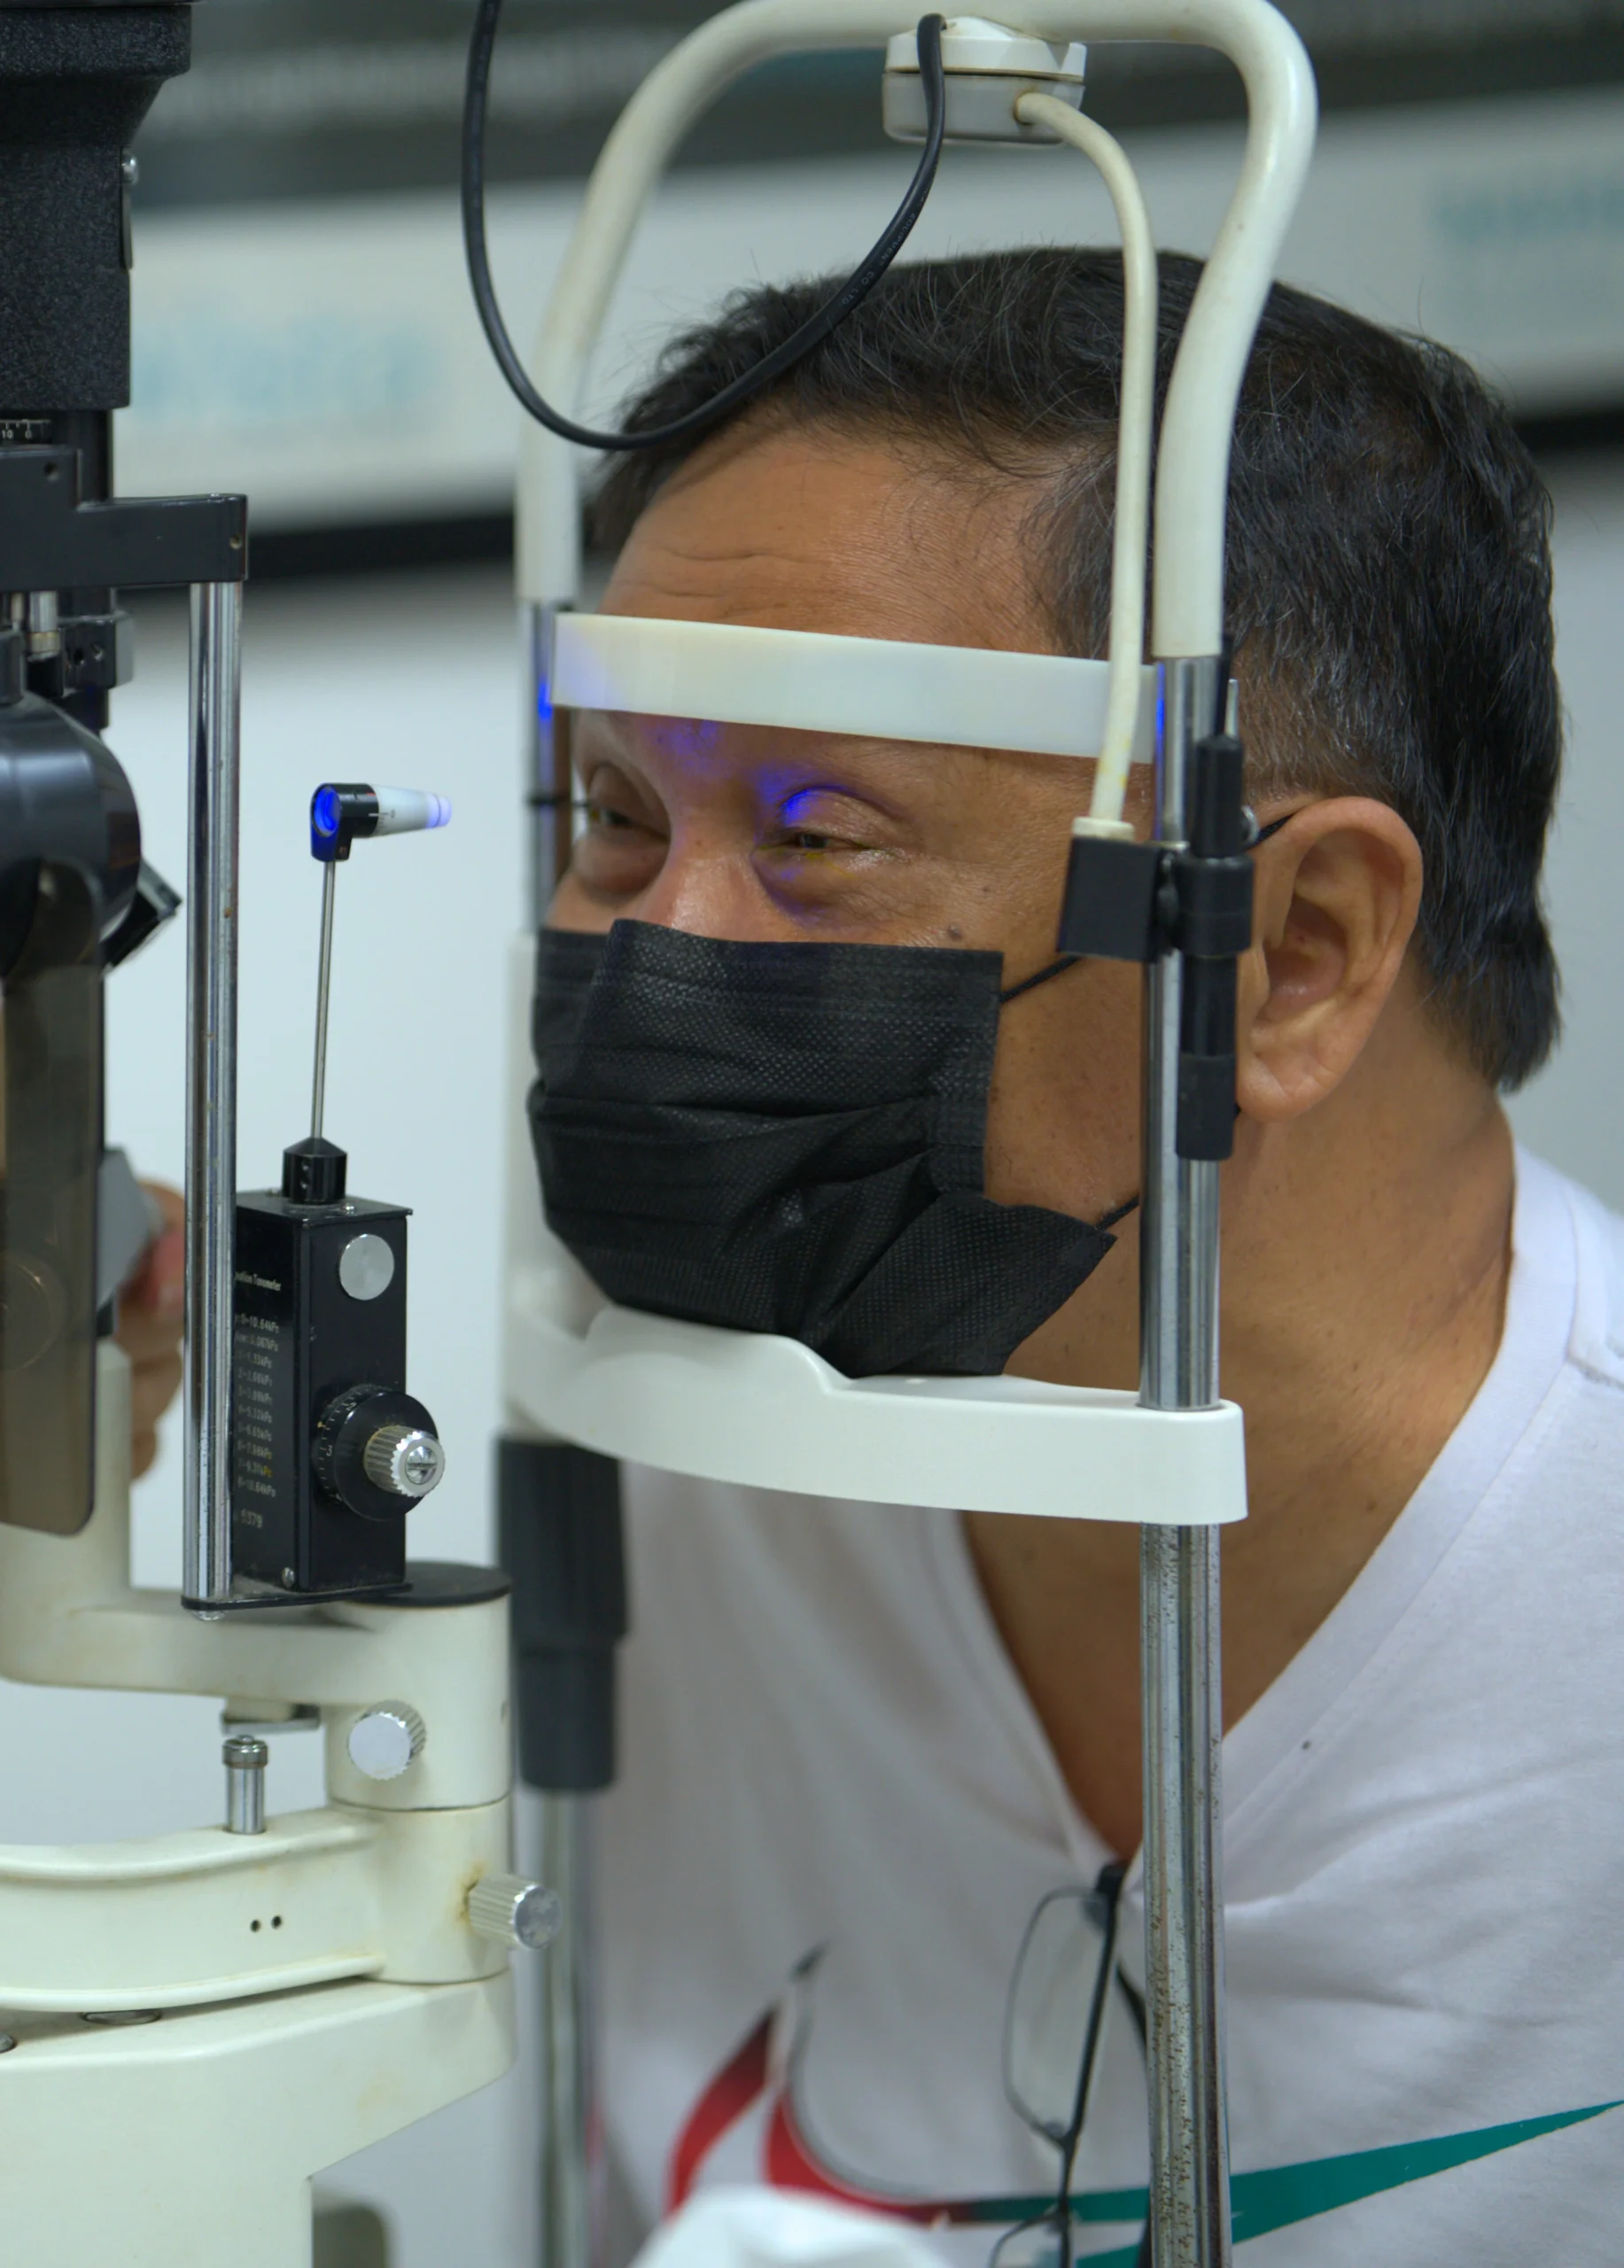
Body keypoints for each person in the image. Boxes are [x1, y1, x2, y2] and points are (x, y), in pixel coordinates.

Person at [136, 250, 1623, 2264]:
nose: (662, 949)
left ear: (1292, 957)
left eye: (818, 834)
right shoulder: (696, 1430)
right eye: (612, 814)